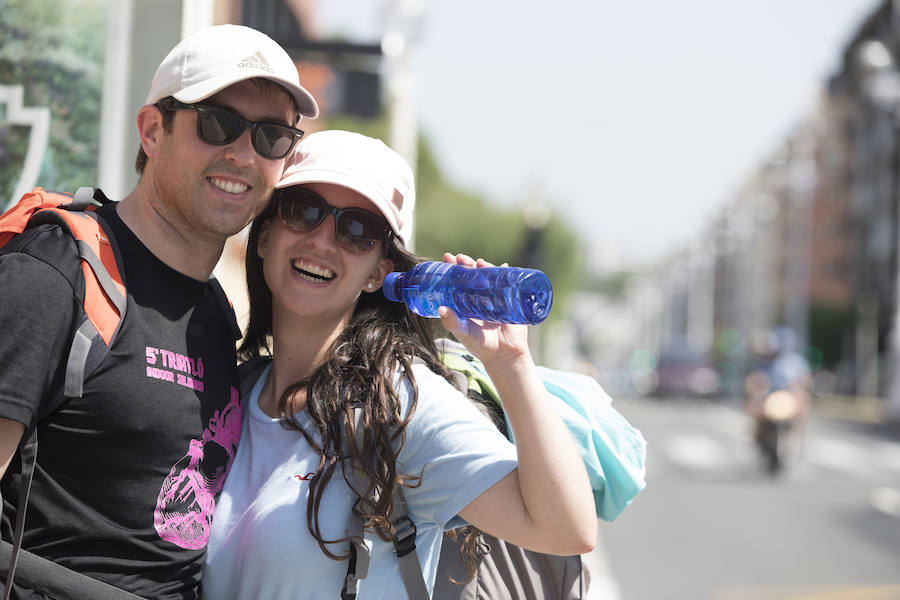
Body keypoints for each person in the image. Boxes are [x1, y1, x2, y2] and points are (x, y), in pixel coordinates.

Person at [201, 130, 597, 599]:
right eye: (303, 210)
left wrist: (510, 362)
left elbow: (563, 528)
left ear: (379, 272)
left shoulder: (399, 404)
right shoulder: (229, 393)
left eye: (357, 230)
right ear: (265, 236)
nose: (324, 241)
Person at [0, 24, 318, 599]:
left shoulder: (217, 314)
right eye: (218, 124)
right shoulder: (58, 273)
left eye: (272, 137)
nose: (243, 155)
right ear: (152, 130)